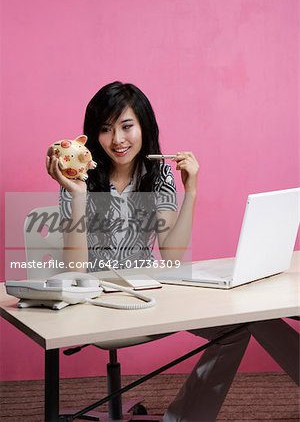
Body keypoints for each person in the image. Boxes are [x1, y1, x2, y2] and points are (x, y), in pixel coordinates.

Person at [46, 81, 299, 422]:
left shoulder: (158, 172)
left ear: (144, 127)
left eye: (126, 126)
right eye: (106, 129)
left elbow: (170, 258)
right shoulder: (80, 176)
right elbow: (76, 269)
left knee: (240, 325)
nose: (118, 140)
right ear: (92, 135)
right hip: (100, 298)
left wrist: (191, 191)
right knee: (241, 325)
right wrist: (76, 194)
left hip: (153, 294)